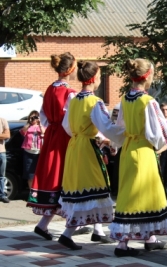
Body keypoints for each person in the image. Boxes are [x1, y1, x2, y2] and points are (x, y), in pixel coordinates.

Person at [109, 58, 167, 257]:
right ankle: (122, 243)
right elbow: (159, 130)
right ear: (148, 76)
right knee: (140, 192)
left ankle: (150, 238)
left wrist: (116, 145)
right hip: (143, 149)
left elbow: (119, 127)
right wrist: (162, 144)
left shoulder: (126, 99)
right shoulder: (148, 101)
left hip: (129, 149)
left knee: (135, 191)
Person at [27, 52, 90, 240]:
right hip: (65, 138)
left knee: (55, 177)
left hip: (52, 137)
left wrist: (50, 130)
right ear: (71, 70)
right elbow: (71, 121)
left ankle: (44, 224)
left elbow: (43, 116)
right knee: (67, 179)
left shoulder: (49, 89)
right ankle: (71, 224)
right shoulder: (70, 93)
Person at [58, 61, 119, 250]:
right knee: (92, 187)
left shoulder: (74, 99)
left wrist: (82, 135)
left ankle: (98, 231)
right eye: (100, 76)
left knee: (87, 187)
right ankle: (67, 234)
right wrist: (117, 140)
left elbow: (66, 126)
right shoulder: (95, 102)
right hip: (87, 148)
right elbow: (106, 127)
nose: (100, 80)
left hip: (75, 146)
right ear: (93, 79)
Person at [20, 110, 45, 188]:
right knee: (30, 175)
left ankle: (38, 191)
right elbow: (22, 131)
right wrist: (30, 122)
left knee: (40, 174)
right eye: (33, 116)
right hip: (28, 152)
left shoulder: (41, 126)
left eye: (36, 116)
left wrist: (40, 123)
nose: (34, 118)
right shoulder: (28, 126)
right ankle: (32, 193)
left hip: (39, 153)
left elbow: (44, 132)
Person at [0, 117, 10, 203]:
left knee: (1, 176)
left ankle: (2, 195)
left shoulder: (2, 120)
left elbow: (7, 135)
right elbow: (4, 135)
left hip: (1, 152)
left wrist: (4, 134)